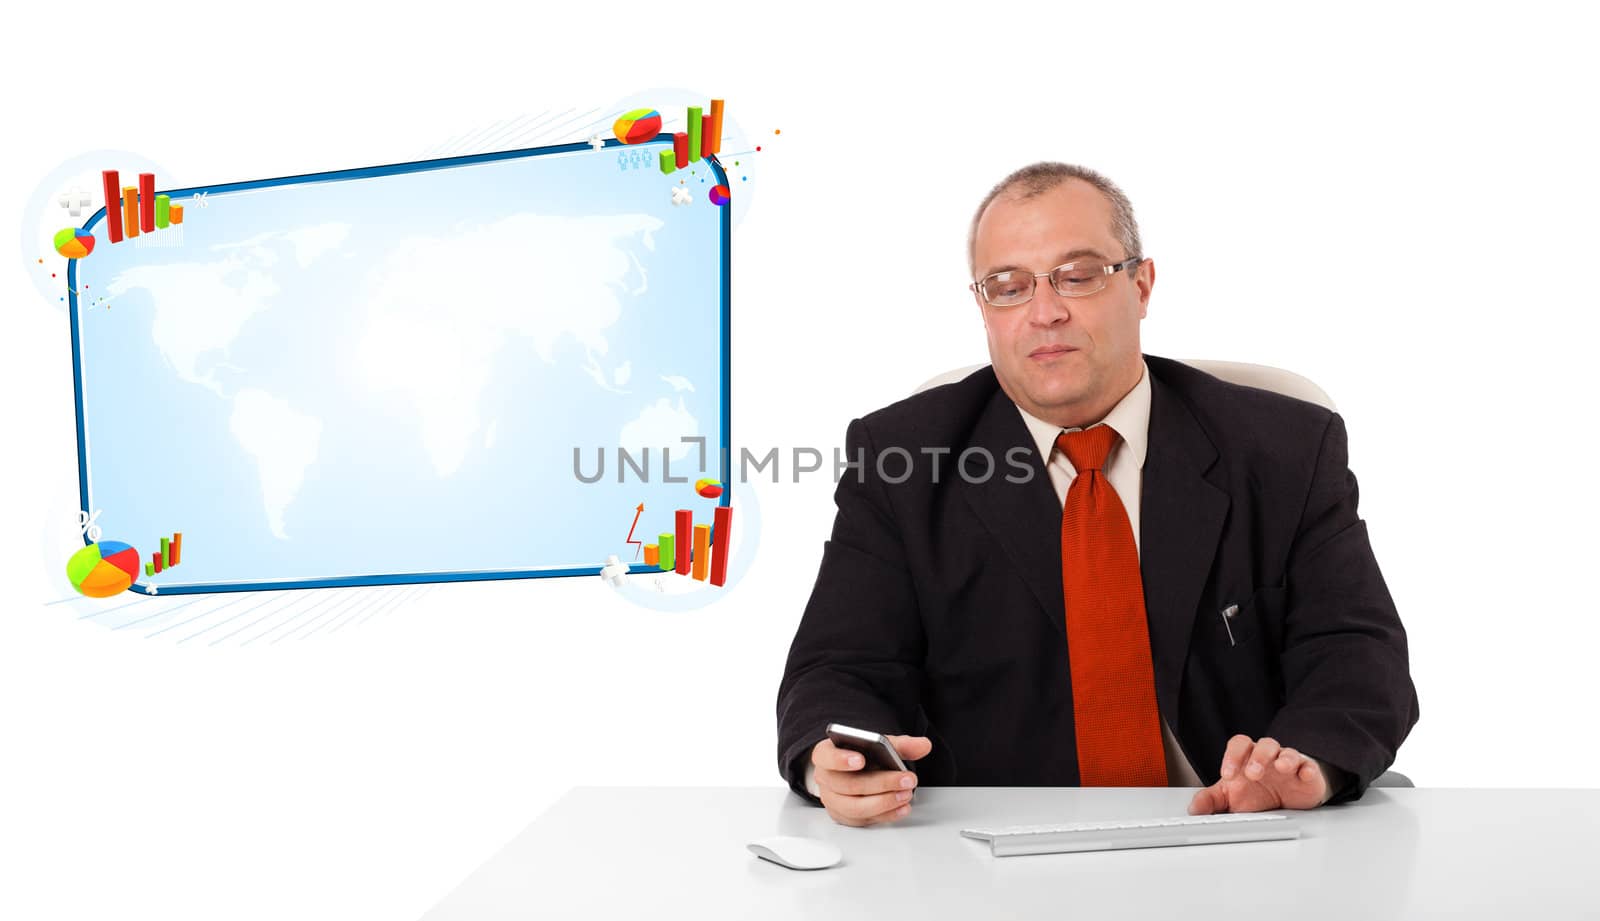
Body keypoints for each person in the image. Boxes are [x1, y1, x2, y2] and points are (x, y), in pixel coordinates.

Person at [775, 162, 1419, 828]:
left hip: (1236, 836)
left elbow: (1356, 652)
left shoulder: (1284, 448)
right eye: (1008, 286)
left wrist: (1306, 764)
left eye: (1078, 276)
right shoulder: (901, 459)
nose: (1045, 312)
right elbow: (839, 666)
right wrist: (838, 760)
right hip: (994, 860)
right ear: (983, 309)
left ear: (1141, 284)